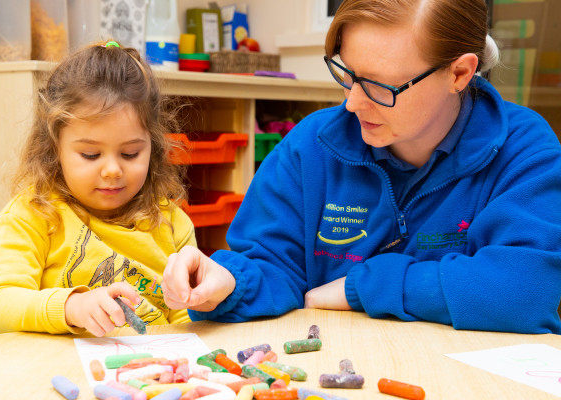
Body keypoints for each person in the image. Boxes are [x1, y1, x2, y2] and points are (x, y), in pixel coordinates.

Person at [161, 0, 561, 334]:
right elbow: (273, 265)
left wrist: (362, 288)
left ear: (459, 73)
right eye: (348, 74)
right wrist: (229, 282)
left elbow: (525, 288)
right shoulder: (312, 145)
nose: (352, 102)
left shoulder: (523, 149)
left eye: (379, 85)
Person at [0, 41, 195, 336]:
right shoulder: (33, 215)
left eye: (130, 154)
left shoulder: (170, 222)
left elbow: (188, 321)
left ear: (153, 148)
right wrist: (71, 307)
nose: (112, 170)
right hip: (51, 373)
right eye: (91, 155)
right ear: (54, 149)